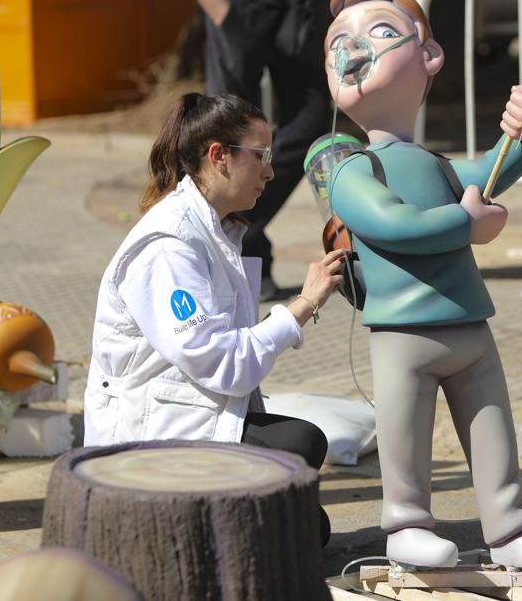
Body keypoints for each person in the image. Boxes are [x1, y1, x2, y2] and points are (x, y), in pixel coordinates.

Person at [324, 0, 522, 570]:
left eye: (379, 32)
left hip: (468, 323)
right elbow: (392, 224)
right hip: (400, 332)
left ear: (430, 54)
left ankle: (511, 530)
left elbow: (492, 171)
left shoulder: (436, 163)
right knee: (405, 440)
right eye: (337, 47)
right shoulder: (352, 168)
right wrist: (464, 224)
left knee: (493, 430)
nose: (352, 52)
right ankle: (406, 526)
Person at [83, 93, 345, 539]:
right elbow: (224, 364)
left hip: (187, 412)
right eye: (261, 156)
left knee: (304, 516)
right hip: (148, 437)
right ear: (219, 157)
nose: (270, 171)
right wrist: (303, 305)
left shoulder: (216, 229)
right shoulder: (168, 246)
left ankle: (226, 525)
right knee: (300, 449)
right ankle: (184, 527)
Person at [177, 0, 334, 301]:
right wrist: (225, 17)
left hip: (304, 10)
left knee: (312, 129)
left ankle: (239, 231)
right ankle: (231, 253)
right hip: (240, 7)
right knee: (227, 140)